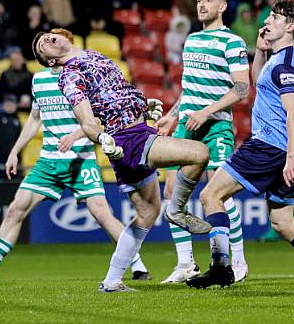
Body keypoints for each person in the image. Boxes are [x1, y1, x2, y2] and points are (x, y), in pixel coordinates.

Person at [31, 29, 211, 293]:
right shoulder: (70, 76)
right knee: (199, 154)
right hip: (127, 140)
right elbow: (87, 121)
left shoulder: (94, 55)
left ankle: (112, 281)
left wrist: (142, 106)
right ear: (50, 62)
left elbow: (116, 92)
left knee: (148, 213)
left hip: (137, 129)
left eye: (47, 35)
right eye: (42, 45)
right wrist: (101, 137)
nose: (47, 39)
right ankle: (177, 211)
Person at [190, 0, 294, 289]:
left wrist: (291, 158)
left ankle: (221, 268)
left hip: (268, 147)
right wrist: (260, 52)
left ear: (290, 27)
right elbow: (258, 81)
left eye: (275, 17)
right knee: (283, 223)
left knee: (210, 195)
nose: (267, 20)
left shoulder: (286, 65)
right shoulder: (282, 59)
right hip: (276, 149)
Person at [0, 48, 151, 283]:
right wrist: (14, 150)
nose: (52, 47)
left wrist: (74, 135)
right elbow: (34, 118)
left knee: (102, 214)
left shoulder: (79, 77)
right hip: (49, 161)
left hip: (81, 160)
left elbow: (95, 120)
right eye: (46, 45)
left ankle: (138, 266)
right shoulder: (39, 79)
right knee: (15, 209)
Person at [156, 0, 250, 284]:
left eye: (207, 0)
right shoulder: (192, 40)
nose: (201, 4)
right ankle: (186, 263)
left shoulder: (233, 41)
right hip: (187, 125)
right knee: (171, 192)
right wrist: (172, 116)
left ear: (222, 7)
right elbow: (189, 89)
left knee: (217, 192)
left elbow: (242, 89)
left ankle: (236, 259)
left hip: (216, 126)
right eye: (198, 0)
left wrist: (207, 112)